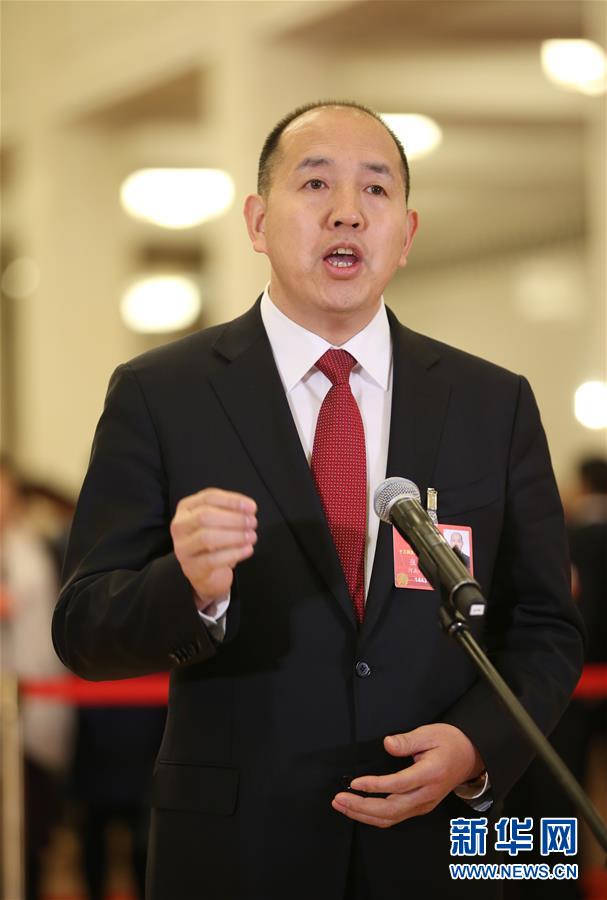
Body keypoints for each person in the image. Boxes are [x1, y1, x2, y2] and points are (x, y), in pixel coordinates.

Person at [52, 101, 584, 900]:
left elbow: (543, 626)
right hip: (235, 849)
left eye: (375, 189)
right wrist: (188, 588)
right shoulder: (163, 394)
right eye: (314, 184)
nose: (346, 212)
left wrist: (476, 747)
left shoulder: (490, 403)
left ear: (405, 234)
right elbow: (83, 628)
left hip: (433, 850)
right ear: (257, 221)